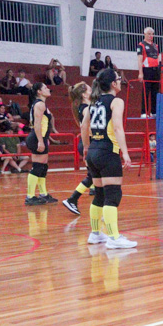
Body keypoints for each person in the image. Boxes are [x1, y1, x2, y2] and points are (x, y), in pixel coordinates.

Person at [81, 68, 137, 249]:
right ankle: (113, 237)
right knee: (112, 195)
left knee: (99, 195)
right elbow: (118, 128)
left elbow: (83, 126)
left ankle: (96, 234)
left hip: (94, 151)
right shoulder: (116, 101)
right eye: (119, 79)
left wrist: (86, 147)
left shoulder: (93, 102)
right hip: (107, 152)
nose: (121, 81)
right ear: (113, 83)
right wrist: (125, 153)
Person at [63, 82, 95, 215]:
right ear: (84, 94)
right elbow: (85, 128)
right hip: (89, 143)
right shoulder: (86, 108)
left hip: (88, 143)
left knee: (94, 176)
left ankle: (73, 200)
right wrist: (88, 146)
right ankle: (72, 199)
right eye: (90, 89)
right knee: (94, 176)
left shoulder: (85, 107)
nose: (92, 91)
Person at [24, 82, 56, 205]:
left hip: (40, 137)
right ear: (39, 92)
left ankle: (43, 194)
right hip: (37, 138)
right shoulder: (39, 104)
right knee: (37, 167)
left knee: (43, 167)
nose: (48, 89)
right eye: (45, 88)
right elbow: (37, 124)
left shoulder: (41, 104)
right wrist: (41, 141)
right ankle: (30, 196)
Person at [137, 27, 163, 117]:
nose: (150, 36)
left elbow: (158, 58)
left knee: (155, 92)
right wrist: (140, 73)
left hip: (156, 70)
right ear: (144, 34)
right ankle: (144, 112)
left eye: (152, 34)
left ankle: (154, 112)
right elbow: (139, 59)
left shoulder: (156, 46)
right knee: (146, 91)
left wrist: (160, 69)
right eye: (149, 34)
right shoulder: (141, 45)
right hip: (147, 70)